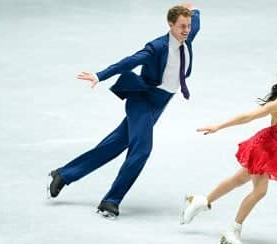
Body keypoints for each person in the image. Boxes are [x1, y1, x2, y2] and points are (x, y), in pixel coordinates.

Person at [47, 4, 201, 218]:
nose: (186, 30)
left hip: (160, 102)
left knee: (115, 144)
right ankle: (111, 201)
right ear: (170, 25)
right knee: (142, 149)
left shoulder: (188, 35)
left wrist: (192, 8)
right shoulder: (157, 47)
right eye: (182, 26)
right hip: (142, 99)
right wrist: (100, 75)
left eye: (189, 26)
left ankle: (63, 174)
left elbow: (197, 20)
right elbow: (129, 61)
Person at [180, 62, 277, 244]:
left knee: (238, 179)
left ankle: (201, 201)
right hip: (263, 149)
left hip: (275, 151)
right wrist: (218, 126)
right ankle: (232, 230)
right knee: (260, 191)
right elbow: (248, 117)